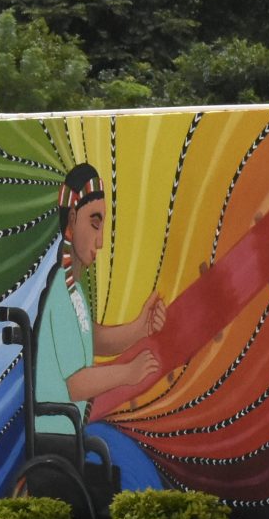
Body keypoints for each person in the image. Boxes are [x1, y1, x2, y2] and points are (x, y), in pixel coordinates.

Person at [31, 164, 167, 439]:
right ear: (72, 220)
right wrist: (128, 373)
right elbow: (76, 384)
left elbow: (94, 338)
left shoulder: (73, 290)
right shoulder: (60, 292)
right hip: (56, 436)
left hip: (69, 433)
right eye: (95, 223)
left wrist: (140, 329)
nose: (101, 241)